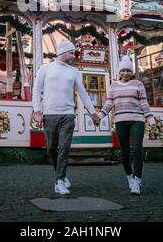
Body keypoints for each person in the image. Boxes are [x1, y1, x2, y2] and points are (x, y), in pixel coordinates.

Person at [32, 39, 100, 195]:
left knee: (64, 147)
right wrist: (37, 110)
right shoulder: (45, 68)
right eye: (72, 51)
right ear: (63, 51)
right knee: (51, 149)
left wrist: (93, 113)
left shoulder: (74, 71)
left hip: (68, 115)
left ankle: (59, 180)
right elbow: (37, 90)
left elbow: (83, 93)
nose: (74, 54)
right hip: (49, 114)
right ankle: (61, 174)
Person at [97, 55, 156, 195]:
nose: (125, 73)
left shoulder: (138, 84)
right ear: (119, 72)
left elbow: (143, 103)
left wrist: (150, 119)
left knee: (137, 149)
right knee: (124, 151)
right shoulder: (114, 85)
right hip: (120, 121)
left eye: (128, 71)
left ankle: (137, 179)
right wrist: (99, 116)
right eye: (123, 70)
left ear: (132, 72)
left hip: (137, 120)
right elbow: (109, 103)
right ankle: (129, 176)